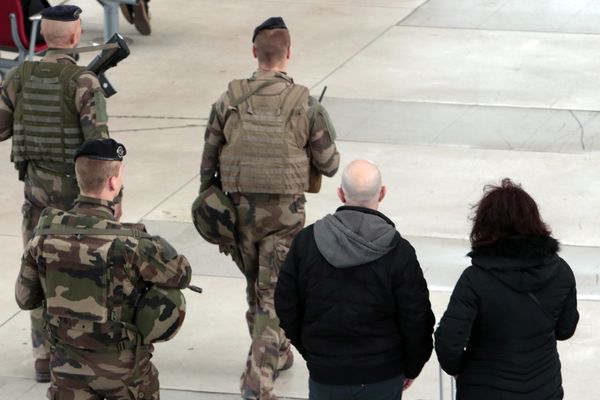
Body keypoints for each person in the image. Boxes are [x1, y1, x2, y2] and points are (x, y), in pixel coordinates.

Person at [198, 16, 340, 400]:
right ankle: (257, 383)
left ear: (254, 53)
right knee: (272, 296)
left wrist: (213, 207)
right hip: (285, 216)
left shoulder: (229, 98)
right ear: (289, 54)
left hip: (239, 211)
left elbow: (208, 160)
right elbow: (330, 164)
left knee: (257, 287)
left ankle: (276, 352)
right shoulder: (304, 103)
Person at [15, 138, 192, 400]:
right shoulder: (133, 244)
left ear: (79, 180)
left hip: (67, 373)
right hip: (123, 375)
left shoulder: (43, 237)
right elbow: (182, 274)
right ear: (113, 182)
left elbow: (25, 298)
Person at [0, 4, 110, 382]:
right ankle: (80, 354)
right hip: (79, 200)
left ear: (43, 35)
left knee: (39, 269)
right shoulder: (84, 82)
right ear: (77, 35)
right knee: (84, 274)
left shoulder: (19, 75)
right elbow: (99, 148)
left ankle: (44, 357)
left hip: (36, 198)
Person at [275, 159, 435, 400]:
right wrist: (412, 366)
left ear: (340, 194)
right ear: (382, 193)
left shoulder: (306, 242)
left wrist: (313, 352)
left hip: (326, 374)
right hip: (383, 374)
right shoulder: (399, 252)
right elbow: (417, 318)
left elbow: (286, 305)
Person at [435, 178, 579, 400]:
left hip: (484, 390)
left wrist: (464, 370)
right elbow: (565, 330)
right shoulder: (561, 271)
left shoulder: (475, 279)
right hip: (543, 388)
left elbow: (448, 341)